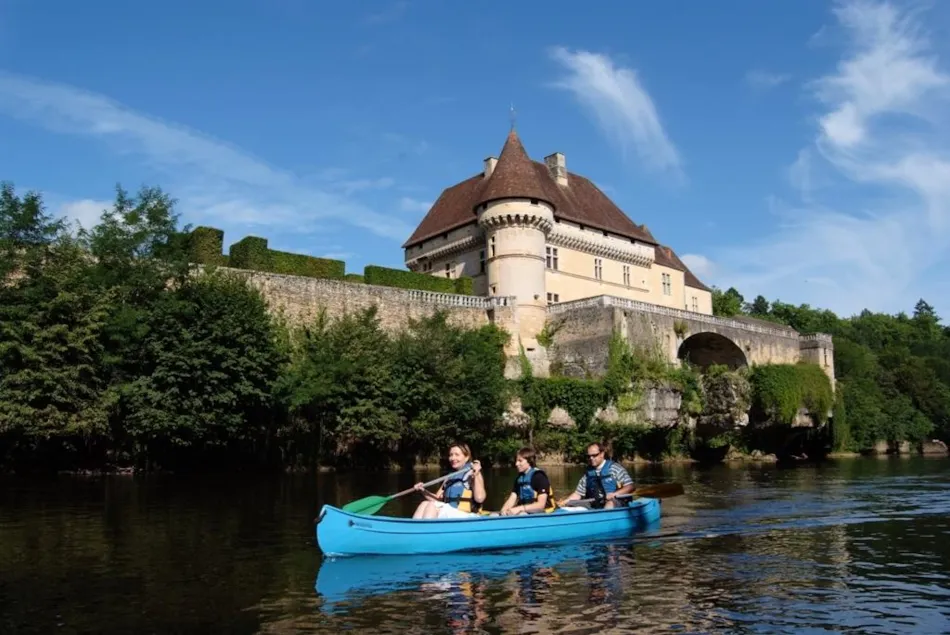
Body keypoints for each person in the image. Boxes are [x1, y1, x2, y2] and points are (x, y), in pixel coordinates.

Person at [412, 443, 486, 519]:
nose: (453, 458)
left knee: (432, 505)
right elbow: (437, 499)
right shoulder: (449, 477)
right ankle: (413, 529)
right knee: (424, 504)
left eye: (457, 455)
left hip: (467, 515)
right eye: (451, 455)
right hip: (451, 513)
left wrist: (476, 474)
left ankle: (426, 529)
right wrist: (423, 490)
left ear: (466, 457)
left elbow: (480, 498)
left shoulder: (473, 473)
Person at [557, 442, 634, 509]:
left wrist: (614, 494)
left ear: (602, 454)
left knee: (610, 504)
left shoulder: (614, 468)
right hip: (596, 503)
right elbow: (578, 493)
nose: (591, 458)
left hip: (615, 501)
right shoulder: (588, 473)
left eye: (594, 455)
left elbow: (630, 486)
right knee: (570, 504)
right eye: (589, 456)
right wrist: (565, 501)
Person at [499, 446, 556, 516]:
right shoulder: (519, 479)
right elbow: (512, 498)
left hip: (544, 512)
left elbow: (541, 505)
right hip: (526, 511)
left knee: (521, 514)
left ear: (529, 461)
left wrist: (519, 508)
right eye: (516, 461)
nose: (516, 464)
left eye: (520, 461)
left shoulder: (539, 477)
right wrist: (503, 511)